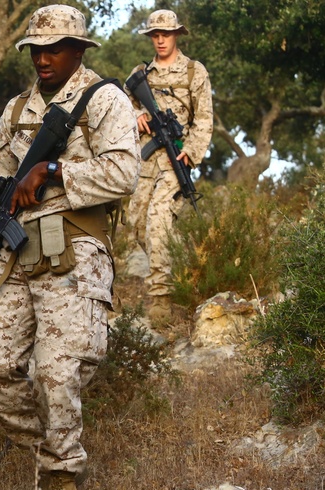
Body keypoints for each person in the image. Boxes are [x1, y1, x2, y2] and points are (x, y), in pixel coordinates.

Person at [0, 5, 139, 490]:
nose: (44, 58)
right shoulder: (17, 109)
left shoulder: (104, 99)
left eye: (56, 48)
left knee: (56, 372)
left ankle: (62, 478)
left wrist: (56, 170)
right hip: (17, 251)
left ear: (80, 50)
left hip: (75, 247)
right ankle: (50, 449)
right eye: (36, 50)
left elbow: (124, 172)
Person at [125, 9, 213, 325]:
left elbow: (204, 118)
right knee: (136, 222)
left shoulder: (194, 72)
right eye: (155, 35)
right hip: (146, 160)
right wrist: (135, 116)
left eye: (166, 34)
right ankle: (177, 268)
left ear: (176, 34)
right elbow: (123, 108)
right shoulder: (140, 75)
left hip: (177, 159)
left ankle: (161, 302)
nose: (160, 40)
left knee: (158, 220)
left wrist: (191, 150)